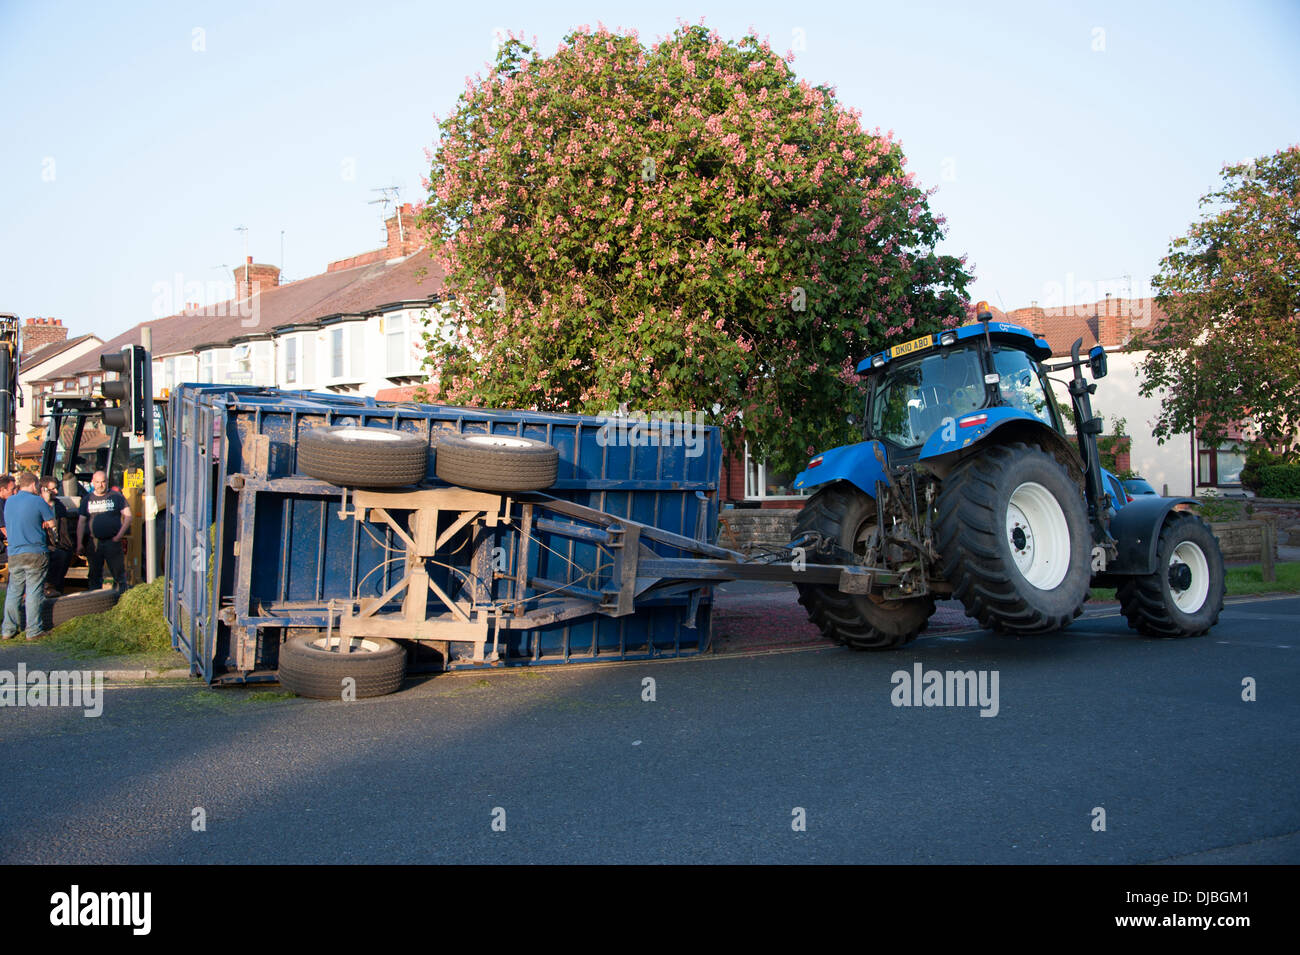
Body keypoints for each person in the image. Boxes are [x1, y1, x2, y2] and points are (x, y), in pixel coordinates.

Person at [2, 471, 56, 641]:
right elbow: (52, 522)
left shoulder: (9, 501)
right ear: (34, 485)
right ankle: (33, 631)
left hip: (14, 553)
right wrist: (47, 502)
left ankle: (8, 630)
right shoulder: (38, 500)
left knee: (14, 591)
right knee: (33, 591)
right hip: (35, 552)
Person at [77, 471, 132, 594]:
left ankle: (122, 599)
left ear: (107, 482)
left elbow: (128, 517)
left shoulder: (117, 497)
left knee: (119, 575)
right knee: (94, 576)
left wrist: (119, 536)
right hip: (93, 543)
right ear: (92, 482)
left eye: (103, 482)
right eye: (97, 482)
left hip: (112, 542)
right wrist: (79, 543)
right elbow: (81, 522)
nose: (100, 485)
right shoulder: (87, 499)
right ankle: (95, 603)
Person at [40, 476, 74, 597]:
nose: (56, 492)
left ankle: (57, 588)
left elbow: (64, 527)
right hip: (43, 542)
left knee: (65, 553)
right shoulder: (38, 505)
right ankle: (48, 586)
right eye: (52, 489)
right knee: (56, 555)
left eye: (56, 488)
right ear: (44, 489)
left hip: (59, 541)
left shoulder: (59, 505)